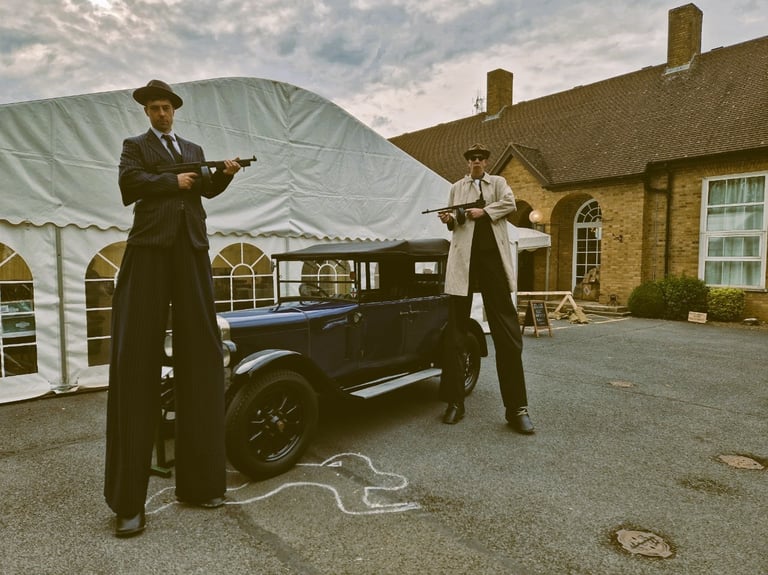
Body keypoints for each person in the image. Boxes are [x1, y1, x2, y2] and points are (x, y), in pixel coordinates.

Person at [104, 79, 243, 537]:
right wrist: (172, 180)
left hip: (191, 250)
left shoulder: (193, 146)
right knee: (135, 363)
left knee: (202, 359)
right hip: (149, 249)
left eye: (166, 108)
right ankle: (128, 502)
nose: (161, 114)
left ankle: (201, 484)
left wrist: (222, 174)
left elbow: (205, 191)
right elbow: (129, 184)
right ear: (147, 112)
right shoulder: (135, 147)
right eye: (154, 108)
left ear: (175, 111)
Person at [437, 143, 534, 434]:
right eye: (471, 159)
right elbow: (455, 223)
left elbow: (509, 205)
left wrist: (483, 211)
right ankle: (455, 402)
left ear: (486, 161)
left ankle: (517, 409)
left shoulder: (499, 184)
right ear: (467, 163)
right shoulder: (456, 188)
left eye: (480, 158)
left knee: (508, 336)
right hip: (463, 266)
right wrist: (450, 219)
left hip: (493, 263)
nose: (476, 162)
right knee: (455, 336)